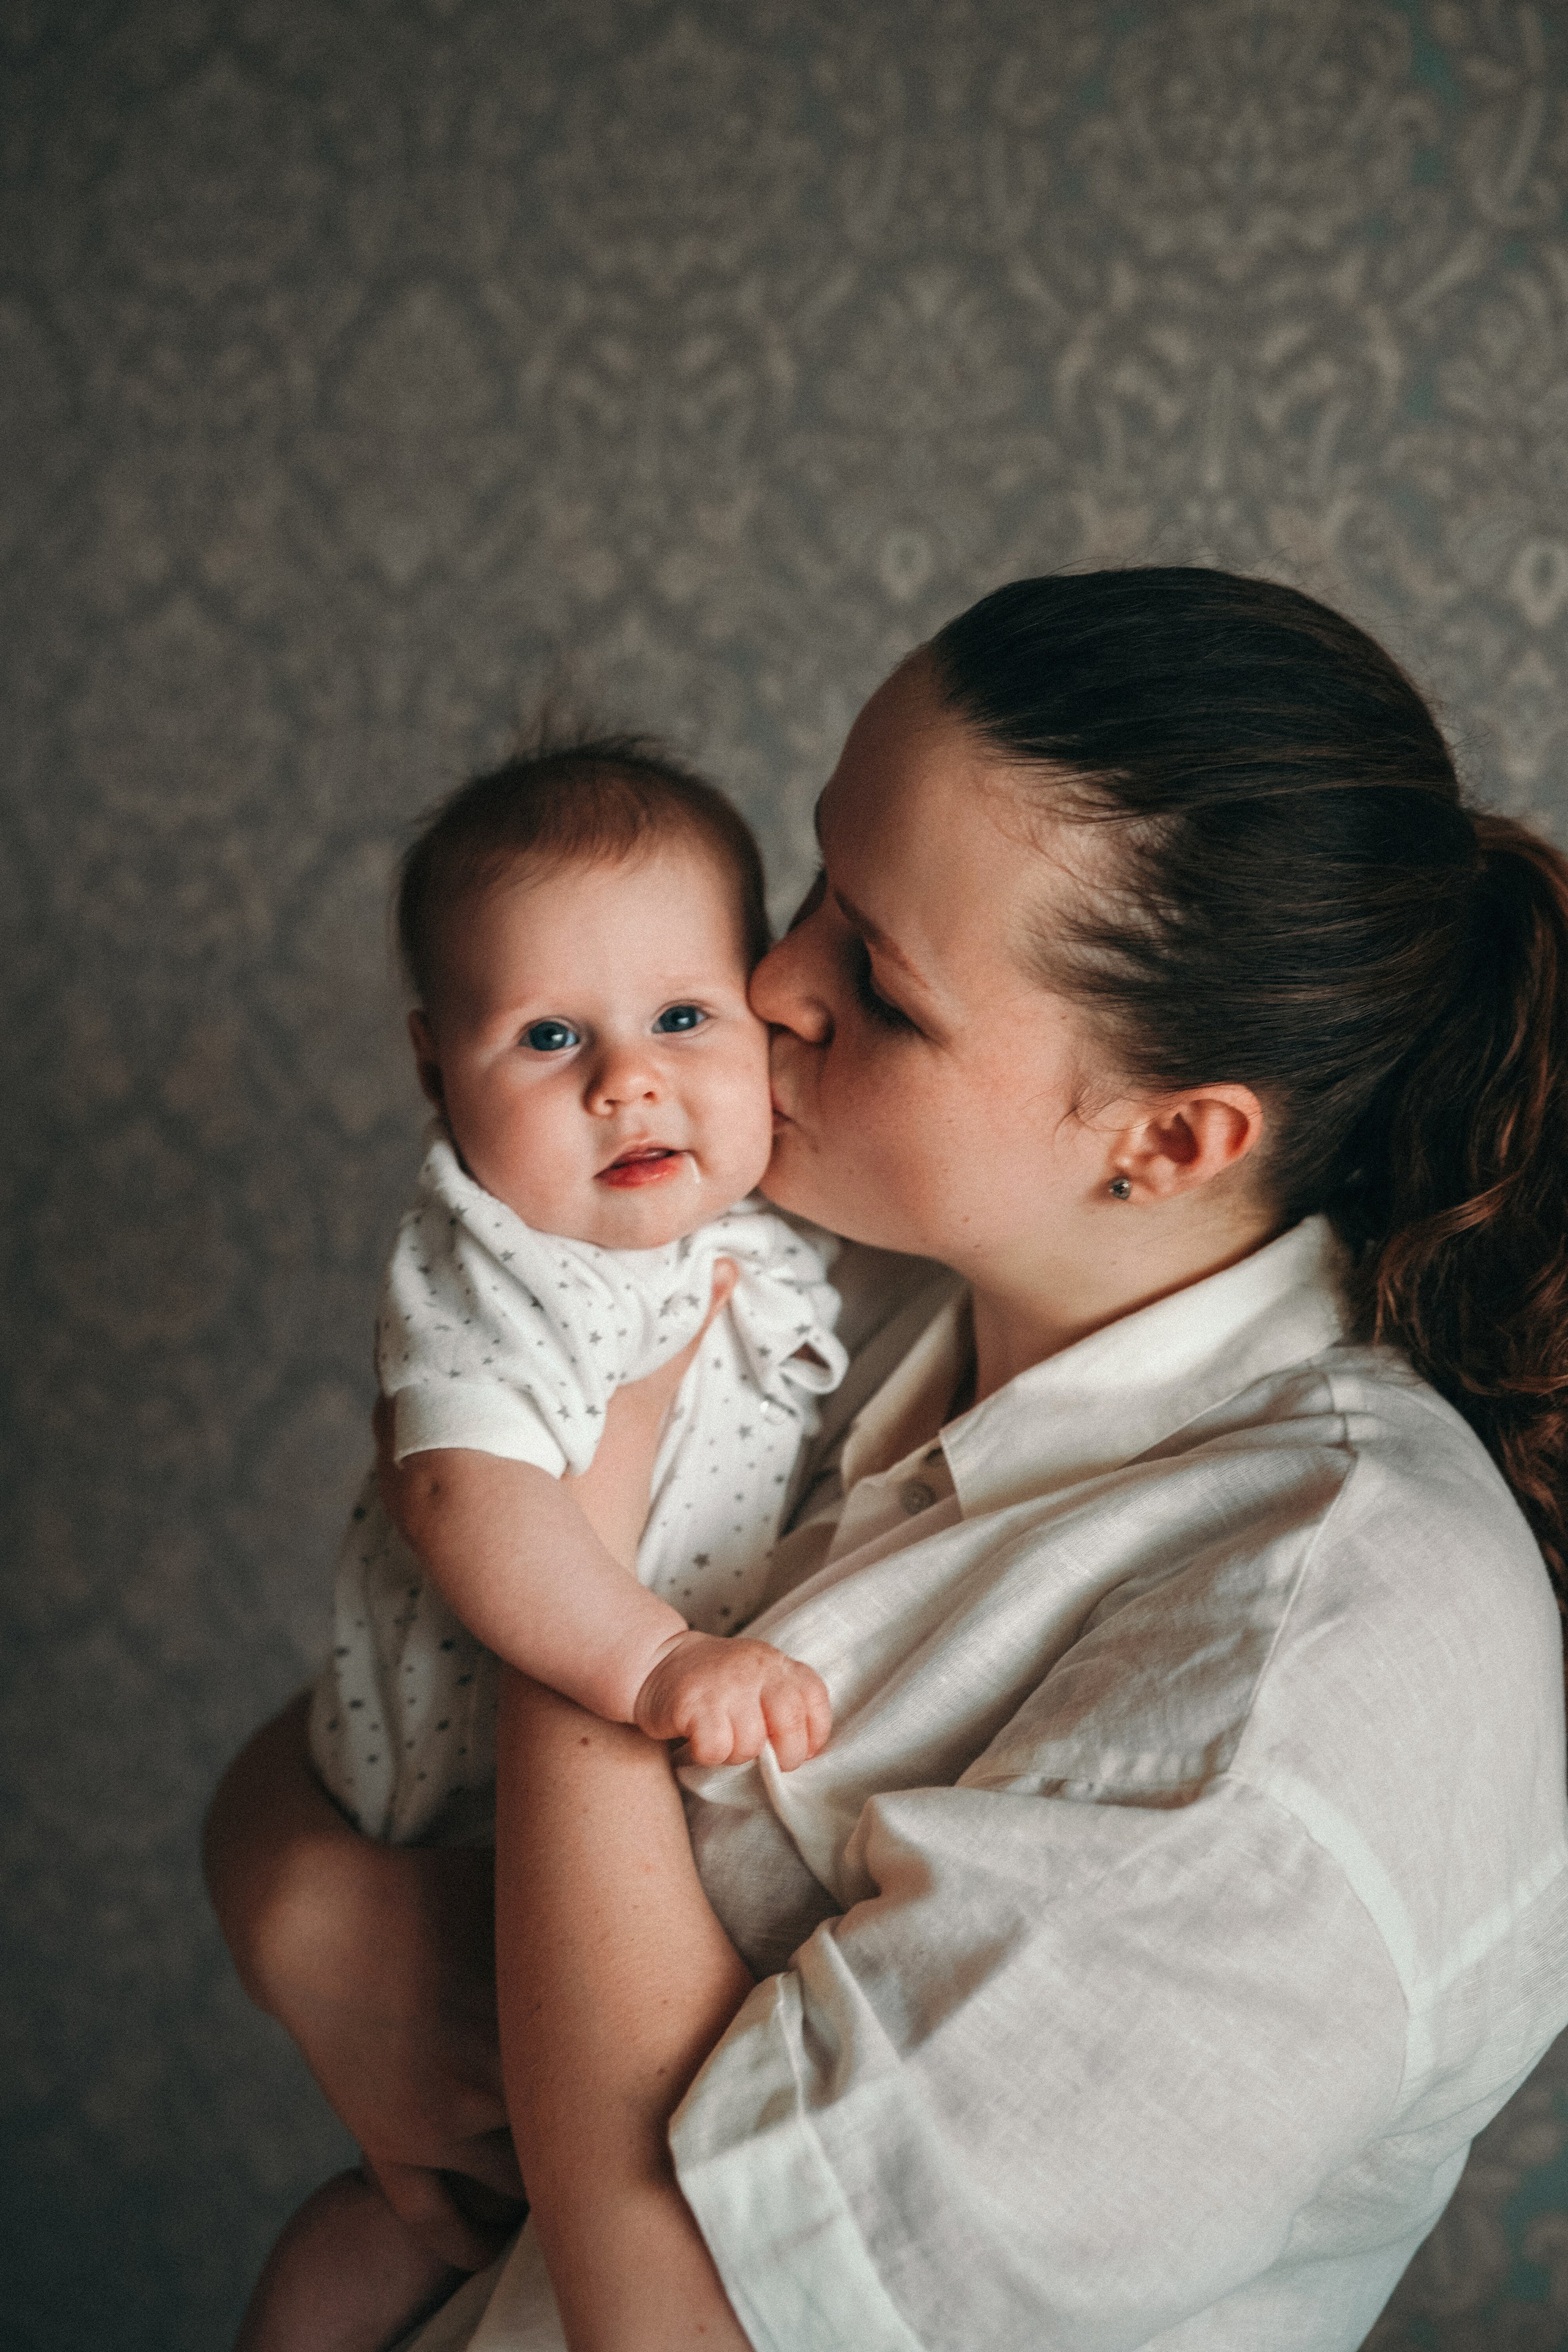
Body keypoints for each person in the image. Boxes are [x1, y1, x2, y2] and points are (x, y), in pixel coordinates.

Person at [208, 570, 1568, 2352]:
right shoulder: (829, 1270)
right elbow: (363, 1712)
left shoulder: (1324, 1654)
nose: (763, 986)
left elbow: (689, 2322)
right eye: (811, 891)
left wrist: (591, 1607)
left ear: (1171, 1138)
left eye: (879, 977)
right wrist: (316, 1916)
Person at [233, 741, 845, 2351]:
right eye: (552, 1035)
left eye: (682, 1019)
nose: (625, 1081)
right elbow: (469, 1500)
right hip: (466, 1807)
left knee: (439, 2230)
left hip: (605, 1838)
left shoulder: (766, 1233)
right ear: (440, 1072)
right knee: (409, 2215)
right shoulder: (496, 1260)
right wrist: (650, 1659)